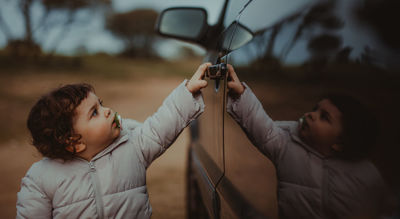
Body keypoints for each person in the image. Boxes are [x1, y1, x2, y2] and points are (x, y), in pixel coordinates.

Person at [16, 63, 211, 219]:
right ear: (73, 142)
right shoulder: (41, 178)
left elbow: (161, 126)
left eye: (100, 105)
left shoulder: (132, 146)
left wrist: (186, 93)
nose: (107, 110)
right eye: (94, 113)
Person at [226, 64, 389, 219]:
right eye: (315, 109)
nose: (312, 114)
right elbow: (264, 130)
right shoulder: (288, 142)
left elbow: (376, 209)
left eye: (324, 117)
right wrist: (241, 94)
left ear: (340, 143)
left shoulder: (365, 175)